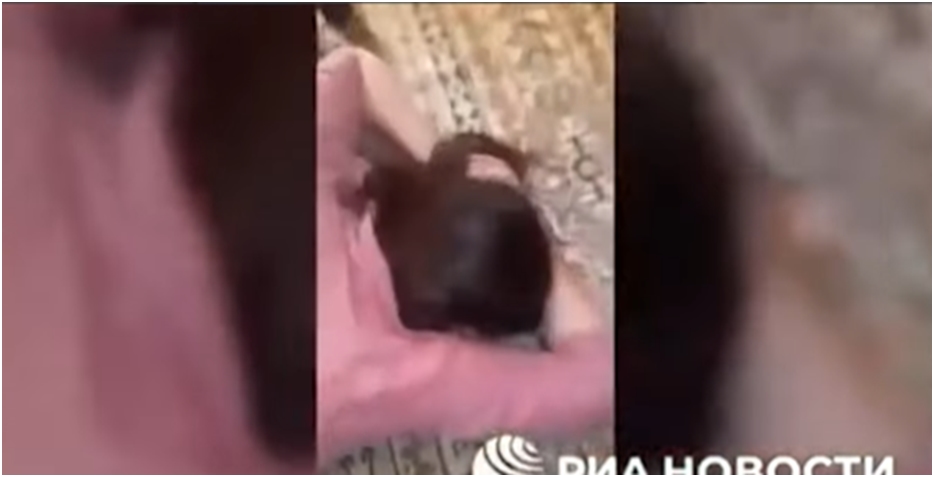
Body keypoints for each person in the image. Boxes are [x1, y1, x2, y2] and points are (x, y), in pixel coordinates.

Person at [315, 47, 615, 462]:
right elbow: (601, 379)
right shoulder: (416, 372)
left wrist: (448, 167)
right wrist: (540, 253)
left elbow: (352, 67)